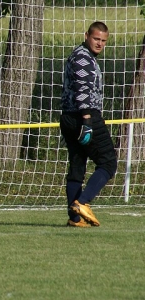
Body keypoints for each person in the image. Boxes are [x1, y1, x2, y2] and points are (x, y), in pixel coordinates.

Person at [60, 21, 117, 228]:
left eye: (103, 40)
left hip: (68, 117)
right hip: (83, 116)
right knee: (108, 163)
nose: (99, 43)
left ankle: (74, 218)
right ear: (86, 36)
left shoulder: (82, 56)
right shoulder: (83, 58)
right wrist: (87, 121)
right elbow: (82, 90)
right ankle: (83, 203)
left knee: (77, 165)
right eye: (96, 39)